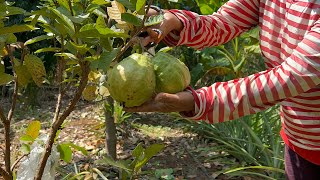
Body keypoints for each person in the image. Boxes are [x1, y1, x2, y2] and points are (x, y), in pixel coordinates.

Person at [125, 0, 320, 179]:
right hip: (298, 141)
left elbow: (288, 78)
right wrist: (173, 21)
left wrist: (200, 102)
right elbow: (224, 23)